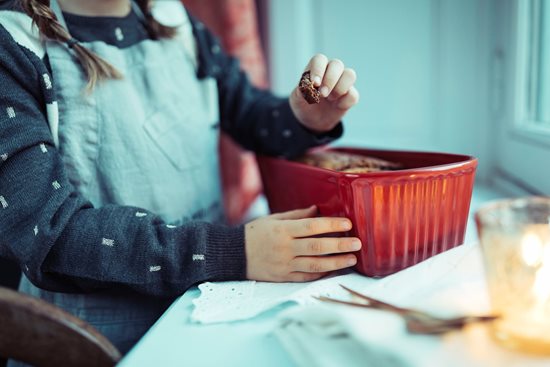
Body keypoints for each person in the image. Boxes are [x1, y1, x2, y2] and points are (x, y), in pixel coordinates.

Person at [0, 0, 360, 354]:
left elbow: (253, 117)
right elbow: (52, 235)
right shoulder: (14, 43)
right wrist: (236, 251)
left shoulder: (174, 17)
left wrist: (304, 115)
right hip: (96, 344)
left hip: (205, 315)